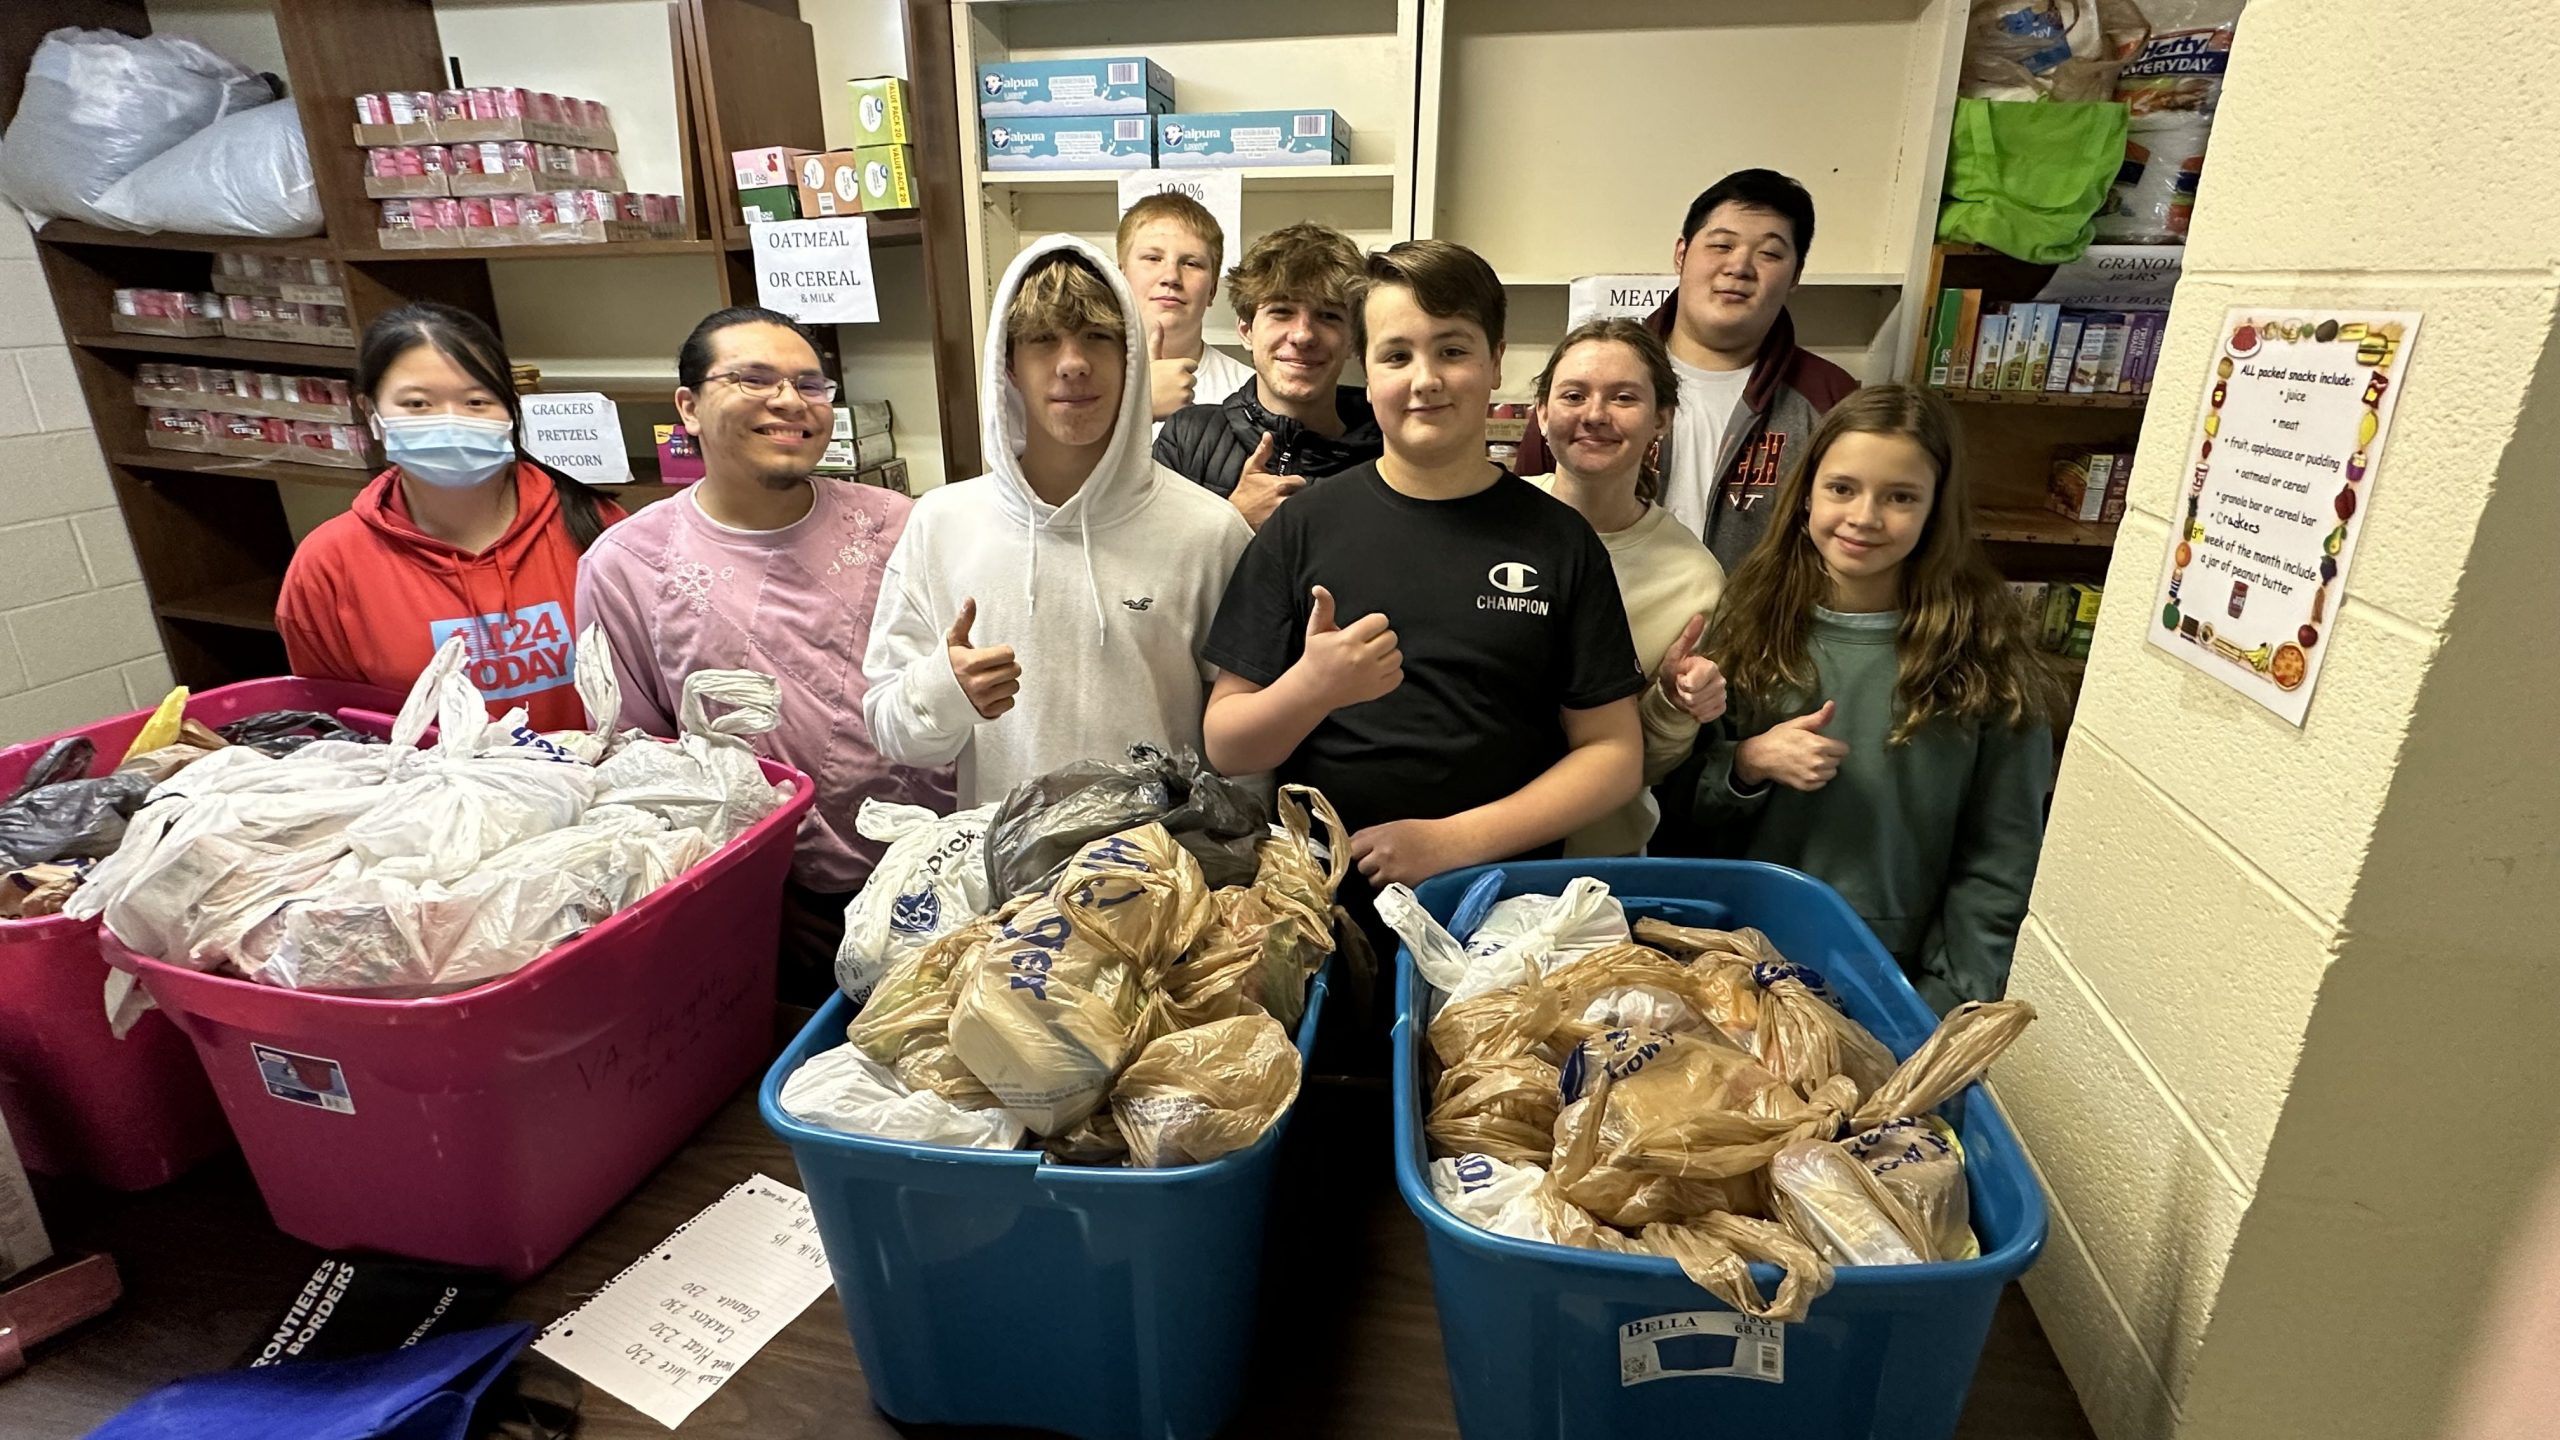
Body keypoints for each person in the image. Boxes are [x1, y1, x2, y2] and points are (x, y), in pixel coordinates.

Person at [1202, 239, 1644, 1032]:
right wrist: (1315, 687)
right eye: (1397, 354)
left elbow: (1613, 757)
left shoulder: (1558, 542)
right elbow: (1228, 742)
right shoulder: (1304, 525)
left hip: (1503, 923)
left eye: (1453, 350)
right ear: (1365, 373)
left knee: (1478, 1131)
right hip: (1323, 924)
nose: (1426, 379)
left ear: (1498, 361)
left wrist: (1452, 842)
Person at [575, 306, 952, 1000]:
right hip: (773, 906)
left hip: (939, 878)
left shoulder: (904, 526)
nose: (789, 401)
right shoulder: (628, 564)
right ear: (687, 406)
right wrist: (756, 901)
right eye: (753, 379)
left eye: (811, 385)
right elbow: (637, 767)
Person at [1685, 383, 2060, 1011]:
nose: (1864, 516)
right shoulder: (1747, 621)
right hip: (1737, 966)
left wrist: (1954, 999)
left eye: (1900, 497)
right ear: (1806, 493)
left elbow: (2000, 858)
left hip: (1896, 977)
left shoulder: (1986, 657)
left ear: (1937, 510)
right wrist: (1750, 763)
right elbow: (1683, 802)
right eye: (1842, 488)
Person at [862, 235, 1253, 809]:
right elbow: (891, 730)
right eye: (1043, 340)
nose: (1072, 364)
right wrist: (946, 689)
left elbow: (1244, 749)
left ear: (1131, 359)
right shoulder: (942, 524)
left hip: (1167, 882)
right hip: (1004, 884)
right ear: (1010, 366)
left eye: (1097, 337)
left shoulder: (1209, 533)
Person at [278, 302, 624, 730]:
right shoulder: (328, 565)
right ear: (371, 412)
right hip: (425, 793)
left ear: (511, 410)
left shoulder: (598, 528)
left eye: (477, 401)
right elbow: (335, 727)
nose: (450, 423)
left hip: (597, 789)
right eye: (418, 404)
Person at [1514, 168, 1857, 570]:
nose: (1739, 267)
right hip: (1596, 620)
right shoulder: (1591, 381)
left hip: (1759, 632)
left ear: (1796, 274)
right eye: (1721, 245)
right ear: (1681, 253)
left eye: (1769, 253)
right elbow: (1525, 519)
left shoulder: (1830, 400)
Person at [1526, 319, 1729, 856]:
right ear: (1542, 412)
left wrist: (1672, 702)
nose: (1595, 415)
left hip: (1596, 861)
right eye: (1573, 395)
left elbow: (1649, 766)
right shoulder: (1482, 522)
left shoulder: (1694, 579)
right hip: (1463, 841)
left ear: (1661, 418)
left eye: (1623, 397)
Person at [1153, 221, 1382, 527]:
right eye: (1282, 312)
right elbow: (1151, 566)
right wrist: (1234, 521)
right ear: (1246, 330)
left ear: (1353, 338)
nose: (1303, 335)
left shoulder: (1386, 451)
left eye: (1328, 315)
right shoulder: (1189, 437)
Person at [1117, 192, 1254, 432]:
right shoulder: (1081, 382)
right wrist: (1141, 408)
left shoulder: (1249, 393)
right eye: (1153, 258)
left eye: (1191, 263)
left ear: (1212, 289)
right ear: (1120, 276)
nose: (1171, 276)